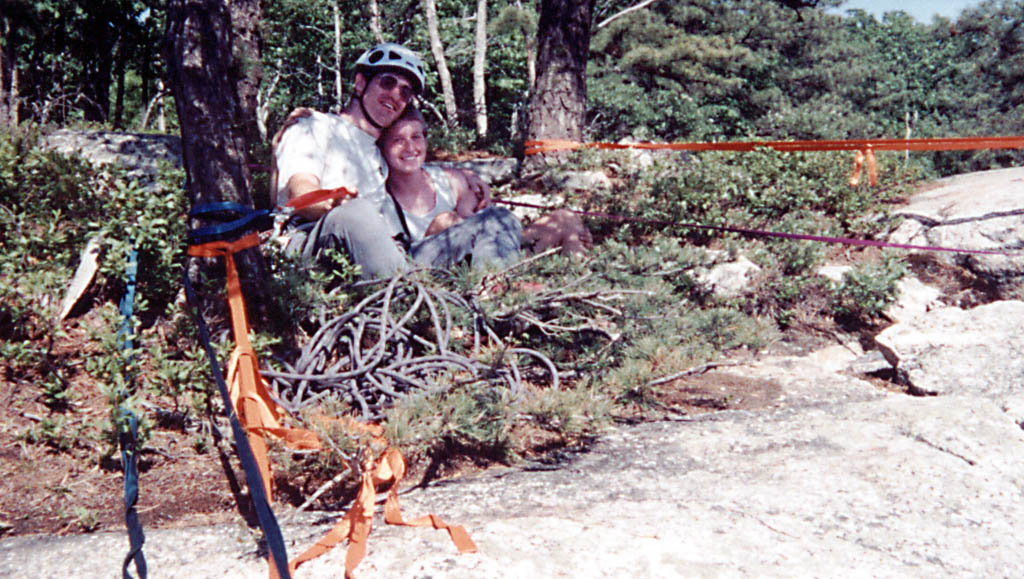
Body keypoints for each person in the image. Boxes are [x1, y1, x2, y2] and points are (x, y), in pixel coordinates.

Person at [272, 42, 491, 278]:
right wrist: (332, 202)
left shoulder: (380, 154)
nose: (396, 94)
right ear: (359, 83)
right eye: (388, 82)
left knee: (495, 220)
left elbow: (417, 167)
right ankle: (407, 299)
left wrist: (468, 177)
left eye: (406, 92)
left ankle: (493, 298)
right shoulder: (313, 126)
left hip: (385, 259)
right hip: (313, 247)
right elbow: (301, 192)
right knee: (357, 212)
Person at [377, 106, 591, 269]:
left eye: (416, 137)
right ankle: (496, 296)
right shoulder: (378, 191)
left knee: (565, 218)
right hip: (429, 267)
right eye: (398, 140)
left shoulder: (451, 180)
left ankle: (574, 279)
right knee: (447, 221)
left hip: (480, 255)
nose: (410, 148)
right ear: (383, 148)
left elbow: (478, 225)